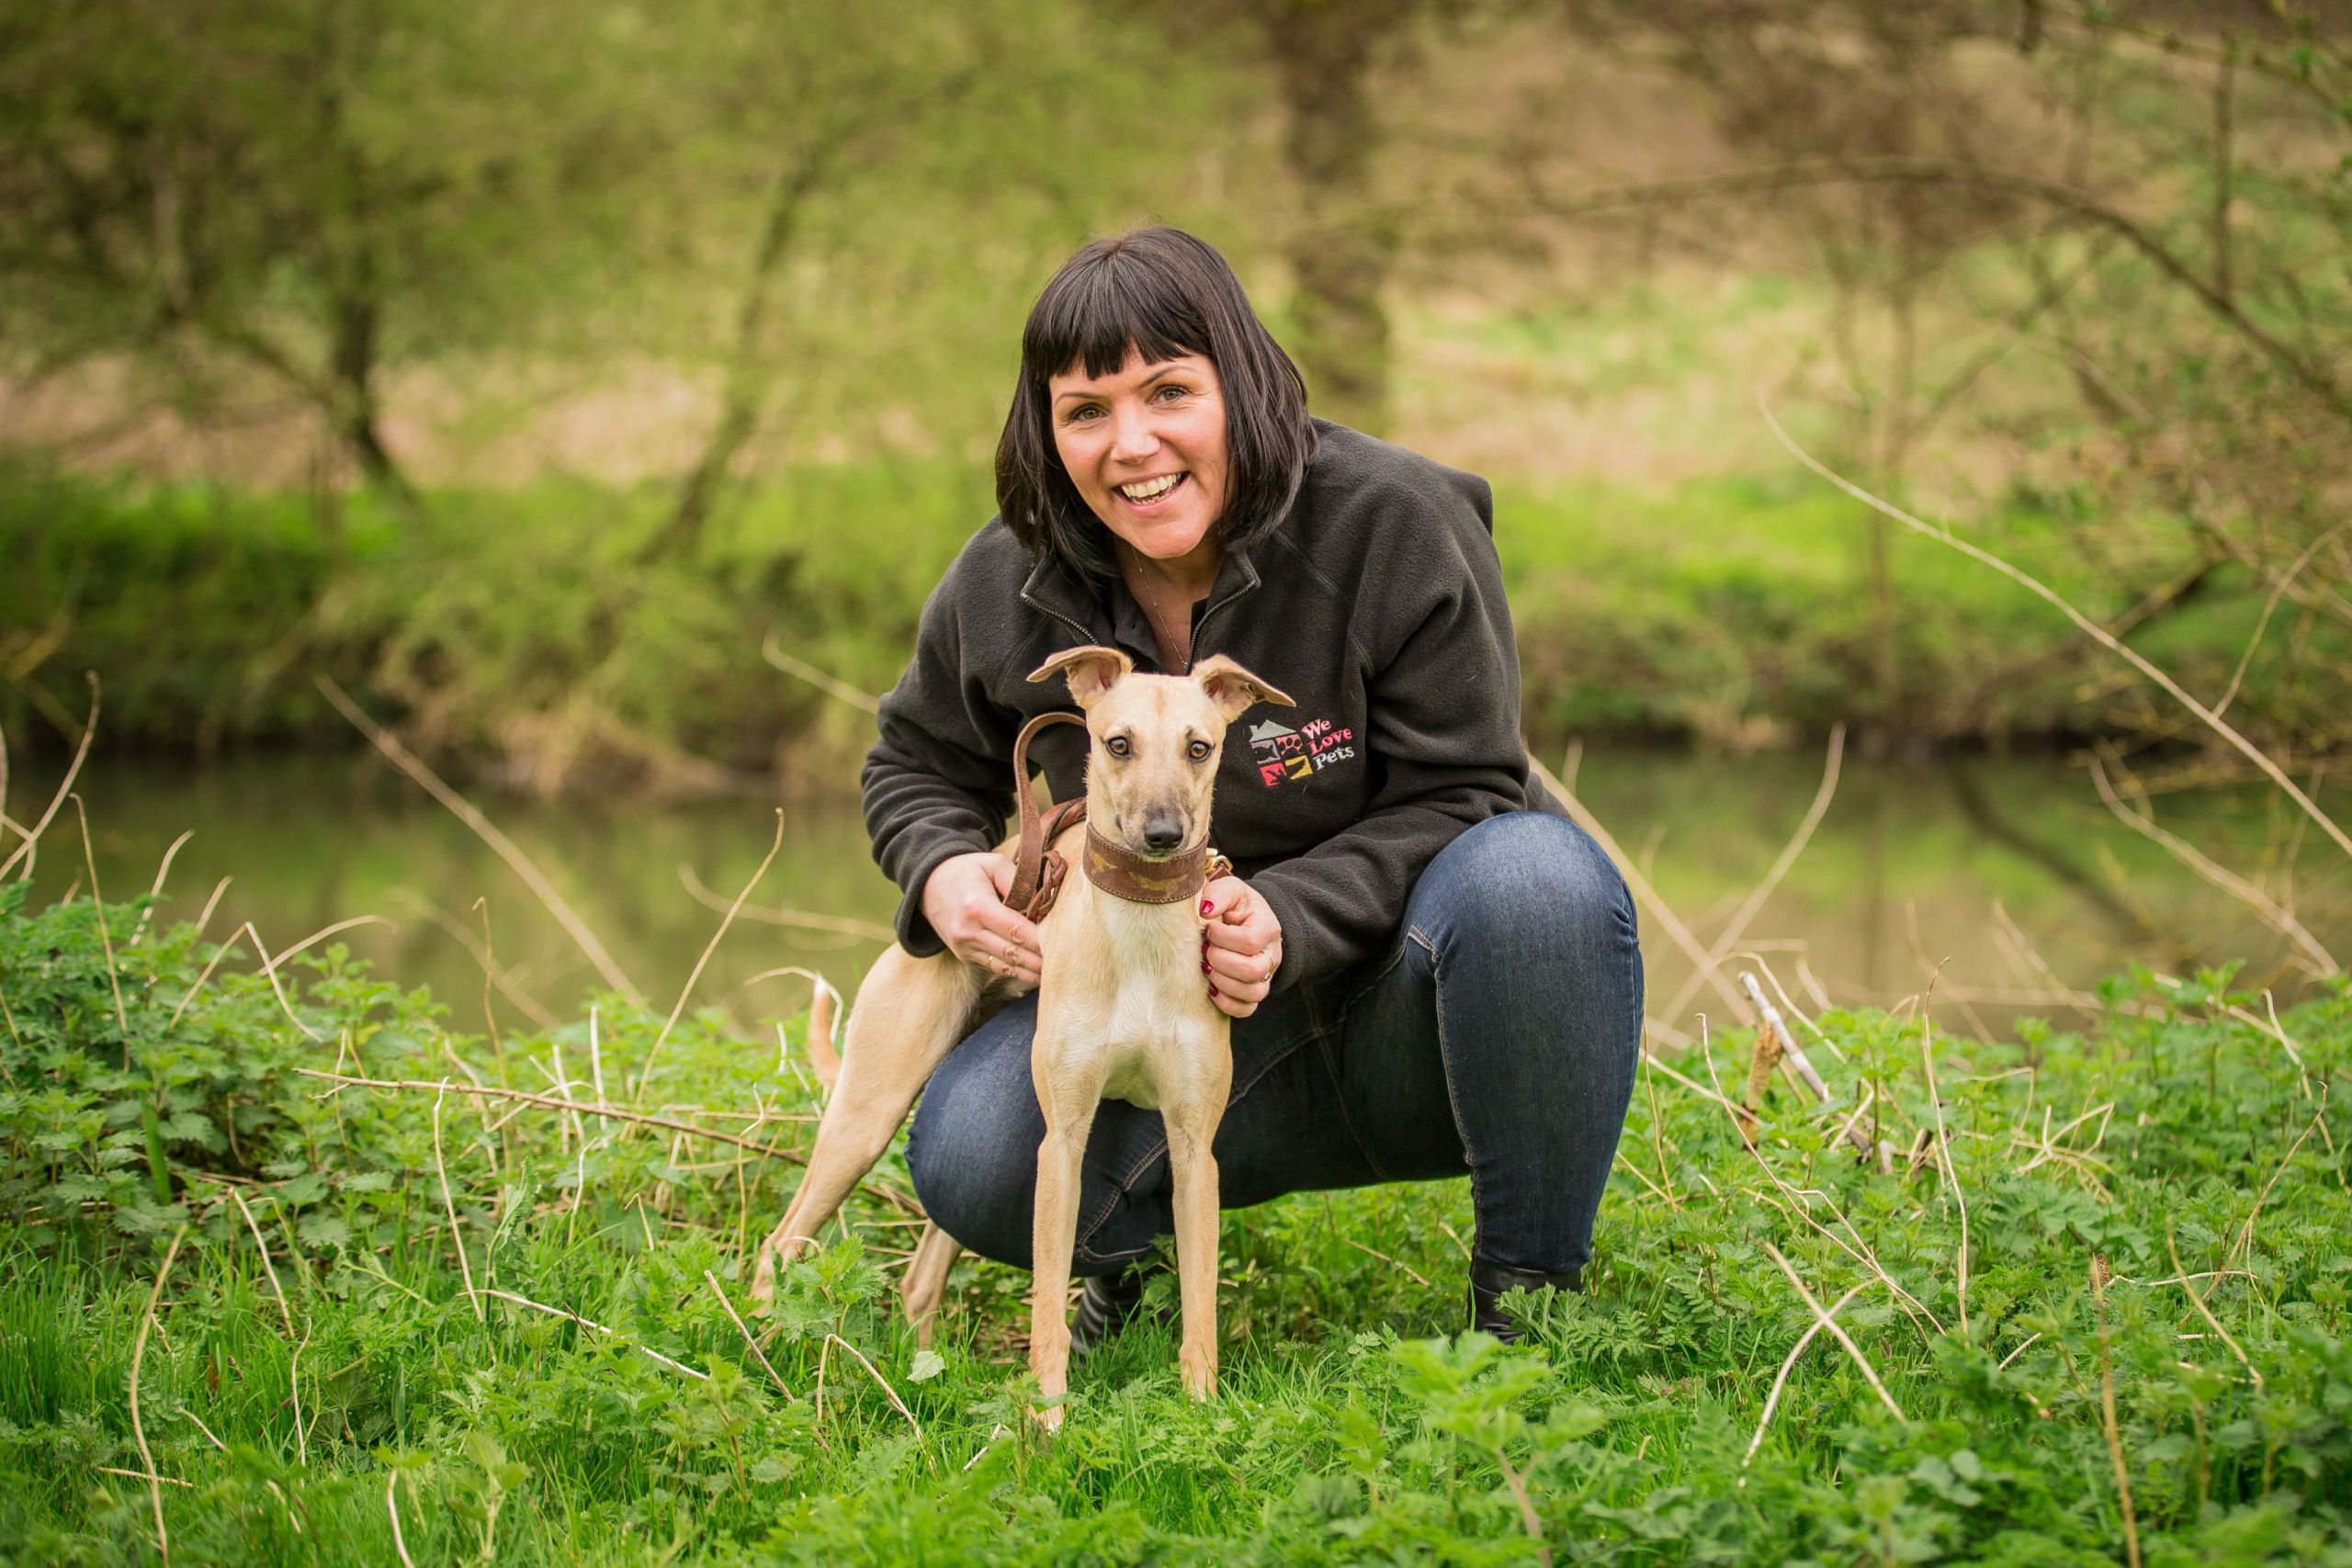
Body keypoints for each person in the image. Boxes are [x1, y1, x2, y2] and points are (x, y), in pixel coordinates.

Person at [863, 225, 1643, 1344]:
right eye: (1086, 410)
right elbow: (915, 762)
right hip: (1182, 1042)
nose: (1130, 445)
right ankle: (1122, 1269)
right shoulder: (1012, 574)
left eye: (1168, 391)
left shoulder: (1394, 524)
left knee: (1536, 879)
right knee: (975, 1156)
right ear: (1046, 429)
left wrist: (1286, 913)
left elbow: (1467, 788)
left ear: (1243, 382)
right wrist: (941, 875)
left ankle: (1527, 1319)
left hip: (1411, 1023)